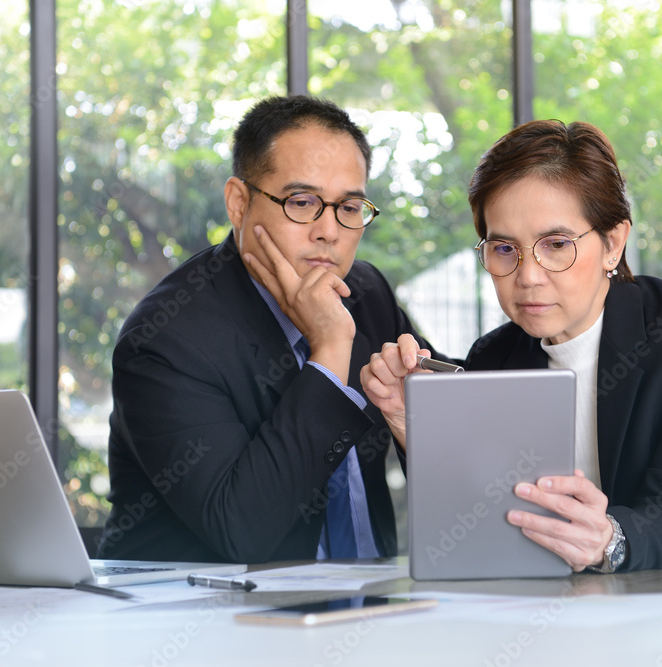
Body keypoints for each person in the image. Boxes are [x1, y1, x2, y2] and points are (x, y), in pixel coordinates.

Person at [361, 120, 662, 587]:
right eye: (504, 248)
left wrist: (608, 539)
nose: (528, 276)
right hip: (605, 615)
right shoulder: (494, 358)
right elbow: (480, 518)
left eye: (556, 244)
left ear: (613, 243)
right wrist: (413, 427)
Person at [97, 95, 446, 564]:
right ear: (239, 204)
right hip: (208, 617)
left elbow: (461, 452)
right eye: (302, 202)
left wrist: (415, 427)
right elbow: (242, 530)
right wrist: (328, 349)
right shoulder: (165, 339)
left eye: (349, 206)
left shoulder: (367, 292)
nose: (329, 231)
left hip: (371, 606)